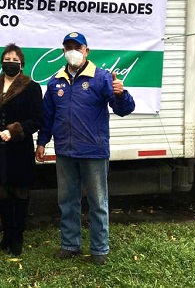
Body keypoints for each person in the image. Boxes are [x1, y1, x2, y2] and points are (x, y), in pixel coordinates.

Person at [36, 32, 135, 265]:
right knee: (67, 202)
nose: (73, 51)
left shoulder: (101, 78)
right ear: (63, 51)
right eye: (68, 47)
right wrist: (41, 142)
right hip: (65, 152)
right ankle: (70, 245)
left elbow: (123, 109)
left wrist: (122, 94)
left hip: (93, 152)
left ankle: (99, 249)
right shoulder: (55, 81)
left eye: (77, 47)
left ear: (86, 51)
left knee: (98, 203)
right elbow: (48, 116)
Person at [0, 43, 43, 256]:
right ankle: (6, 237)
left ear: (22, 64)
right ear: (1, 62)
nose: (11, 63)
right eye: (7, 60)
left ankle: (18, 238)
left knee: (20, 192)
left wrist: (14, 131)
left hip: (20, 148)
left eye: (15, 60)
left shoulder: (31, 87)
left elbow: (37, 119)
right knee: (1, 192)